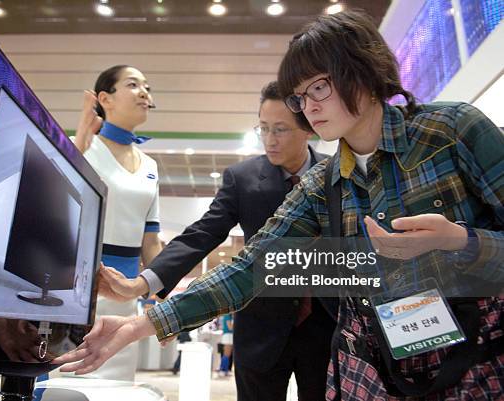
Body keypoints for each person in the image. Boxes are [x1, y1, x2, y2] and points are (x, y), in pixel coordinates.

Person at [55, 11, 503, 400]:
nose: (308, 107)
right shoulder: (322, 184)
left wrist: (463, 242)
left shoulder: (450, 132)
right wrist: (139, 326)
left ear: (364, 72)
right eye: (300, 98)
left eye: (320, 89)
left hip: (476, 363)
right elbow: (254, 265)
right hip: (375, 371)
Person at [98, 81, 335, 400]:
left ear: (308, 129)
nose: (270, 140)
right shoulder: (244, 179)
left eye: (280, 129)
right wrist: (145, 283)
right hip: (260, 326)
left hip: (327, 325)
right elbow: (203, 233)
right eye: (263, 128)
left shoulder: (337, 174)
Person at [71, 64, 162, 382]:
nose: (145, 93)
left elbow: (150, 240)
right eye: (134, 85)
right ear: (105, 99)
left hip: (126, 299)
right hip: (77, 292)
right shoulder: (81, 146)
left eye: (147, 87)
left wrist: (158, 297)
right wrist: (79, 143)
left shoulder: (150, 165)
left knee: (117, 387)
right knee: (69, 384)